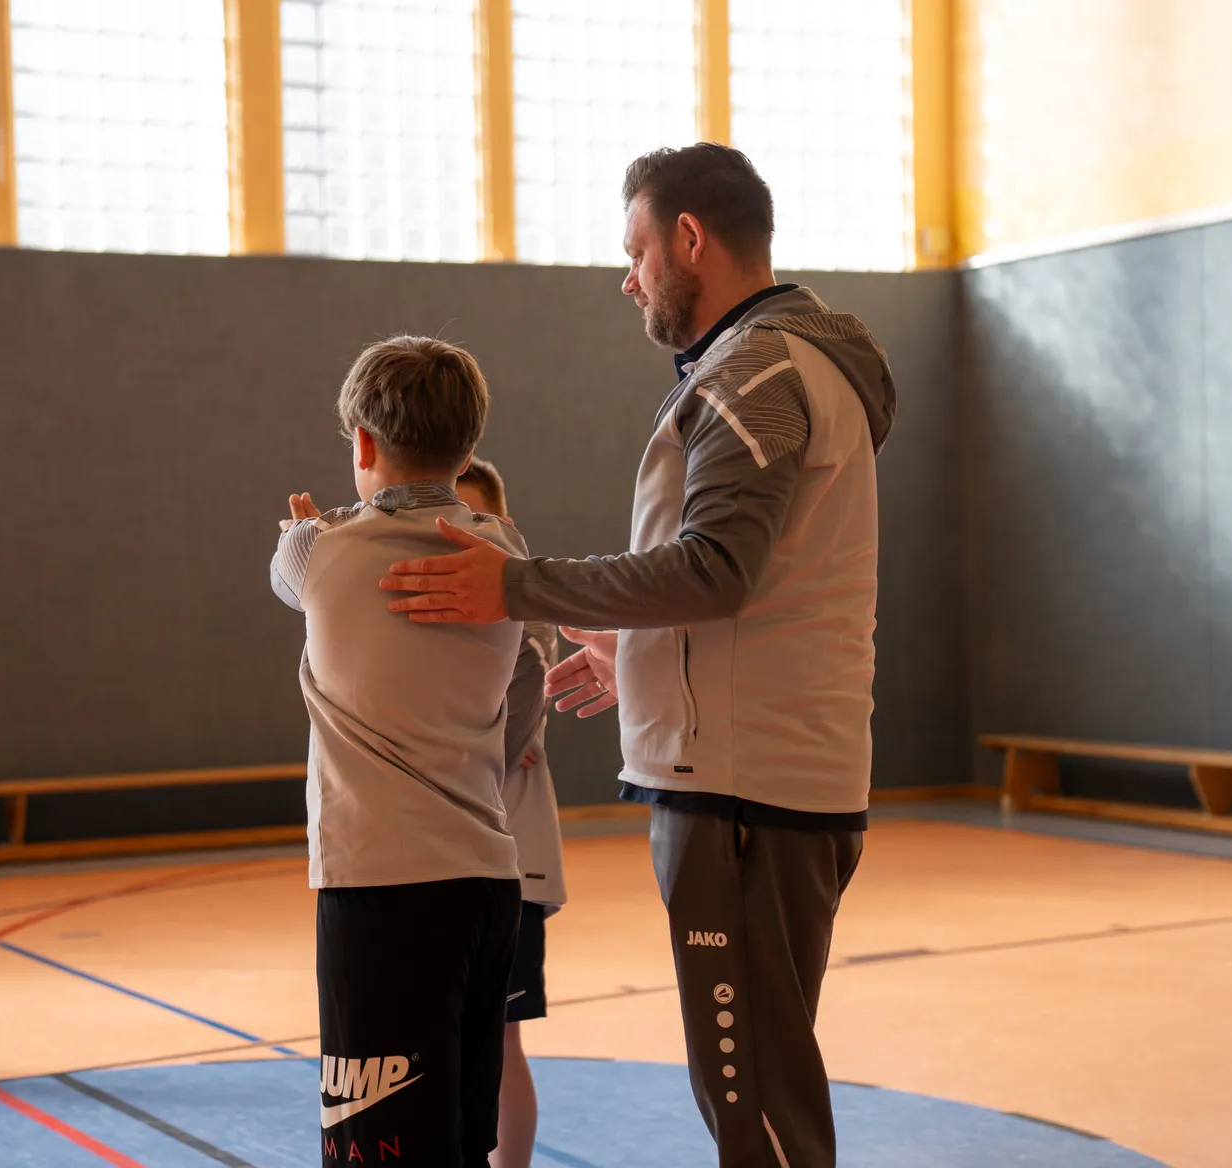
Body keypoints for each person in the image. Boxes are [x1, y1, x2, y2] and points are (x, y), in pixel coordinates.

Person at [379, 144, 898, 1168]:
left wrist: (514, 585)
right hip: (768, 775)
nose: (629, 278)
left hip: (747, 797)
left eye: (637, 250)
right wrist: (645, 659)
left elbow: (716, 570)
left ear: (690, 240)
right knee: (758, 1089)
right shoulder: (793, 362)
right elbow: (760, 580)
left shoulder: (755, 371)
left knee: (753, 1107)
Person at [271, 338, 528, 1167]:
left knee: (375, 1147)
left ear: (363, 445)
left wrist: (315, 525)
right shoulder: (509, 555)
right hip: (487, 883)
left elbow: (288, 566)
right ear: (467, 448)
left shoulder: (320, 551)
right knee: (460, 1138)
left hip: (380, 887)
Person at [455, 458, 567, 1168]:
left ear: (502, 525)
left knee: (499, 1040)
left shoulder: (520, 620)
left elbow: (497, 743)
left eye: (472, 521)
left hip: (511, 868)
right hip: (455, 859)